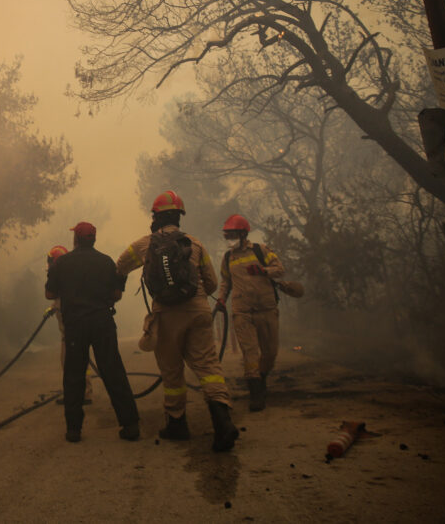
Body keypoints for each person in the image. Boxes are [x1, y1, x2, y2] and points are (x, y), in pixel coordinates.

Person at [116, 190, 239, 452]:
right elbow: (213, 283)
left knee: (172, 371)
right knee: (208, 368)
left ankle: (177, 423)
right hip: (197, 311)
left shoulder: (145, 244)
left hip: (166, 314)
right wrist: (194, 300)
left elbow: (120, 265)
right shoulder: (195, 244)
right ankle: (223, 422)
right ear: (179, 216)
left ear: (155, 216)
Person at [46, 222, 139, 443]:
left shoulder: (63, 263)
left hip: (75, 325)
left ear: (76, 239)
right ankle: (131, 425)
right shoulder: (106, 262)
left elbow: (50, 294)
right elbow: (116, 295)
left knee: (73, 375)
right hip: (102, 323)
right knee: (113, 371)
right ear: (94, 239)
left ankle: (74, 430)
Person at [217, 214, 286, 412]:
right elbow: (225, 282)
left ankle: (261, 378)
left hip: (266, 308)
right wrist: (221, 298)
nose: (229, 238)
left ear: (243, 233)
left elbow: (280, 269)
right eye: (226, 235)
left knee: (270, 352)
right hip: (242, 311)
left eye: (232, 234)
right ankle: (256, 393)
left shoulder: (260, 250)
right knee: (250, 352)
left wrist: (264, 271)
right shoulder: (228, 258)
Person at [46, 245, 93, 405]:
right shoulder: (71, 275)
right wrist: (52, 308)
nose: (48, 265)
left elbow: (58, 297)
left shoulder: (61, 276)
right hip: (76, 331)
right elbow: (60, 299)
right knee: (78, 362)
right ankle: (84, 393)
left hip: (70, 333)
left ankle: (77, 395)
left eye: (50, 262)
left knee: (69, 363)